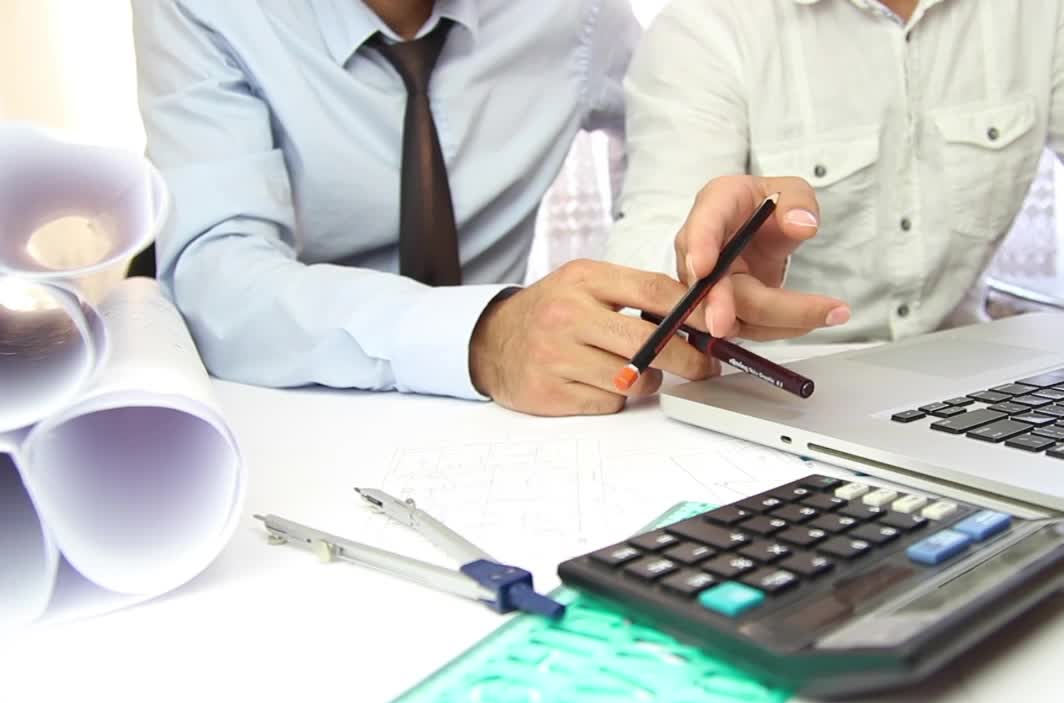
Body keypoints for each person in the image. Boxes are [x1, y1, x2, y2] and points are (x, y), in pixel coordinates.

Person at [130, 0, 849, 417]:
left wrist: (694, 263)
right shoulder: (204, 12)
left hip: (515, 420)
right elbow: (215, 279)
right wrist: (482, 334)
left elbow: (661, 174)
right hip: (294, 406)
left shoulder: (575, 15)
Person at [607, 0, 1064, 343]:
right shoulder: (706, 24)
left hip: (968, 389)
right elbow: (654, 234)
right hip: (770, 397)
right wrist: (702, 270)